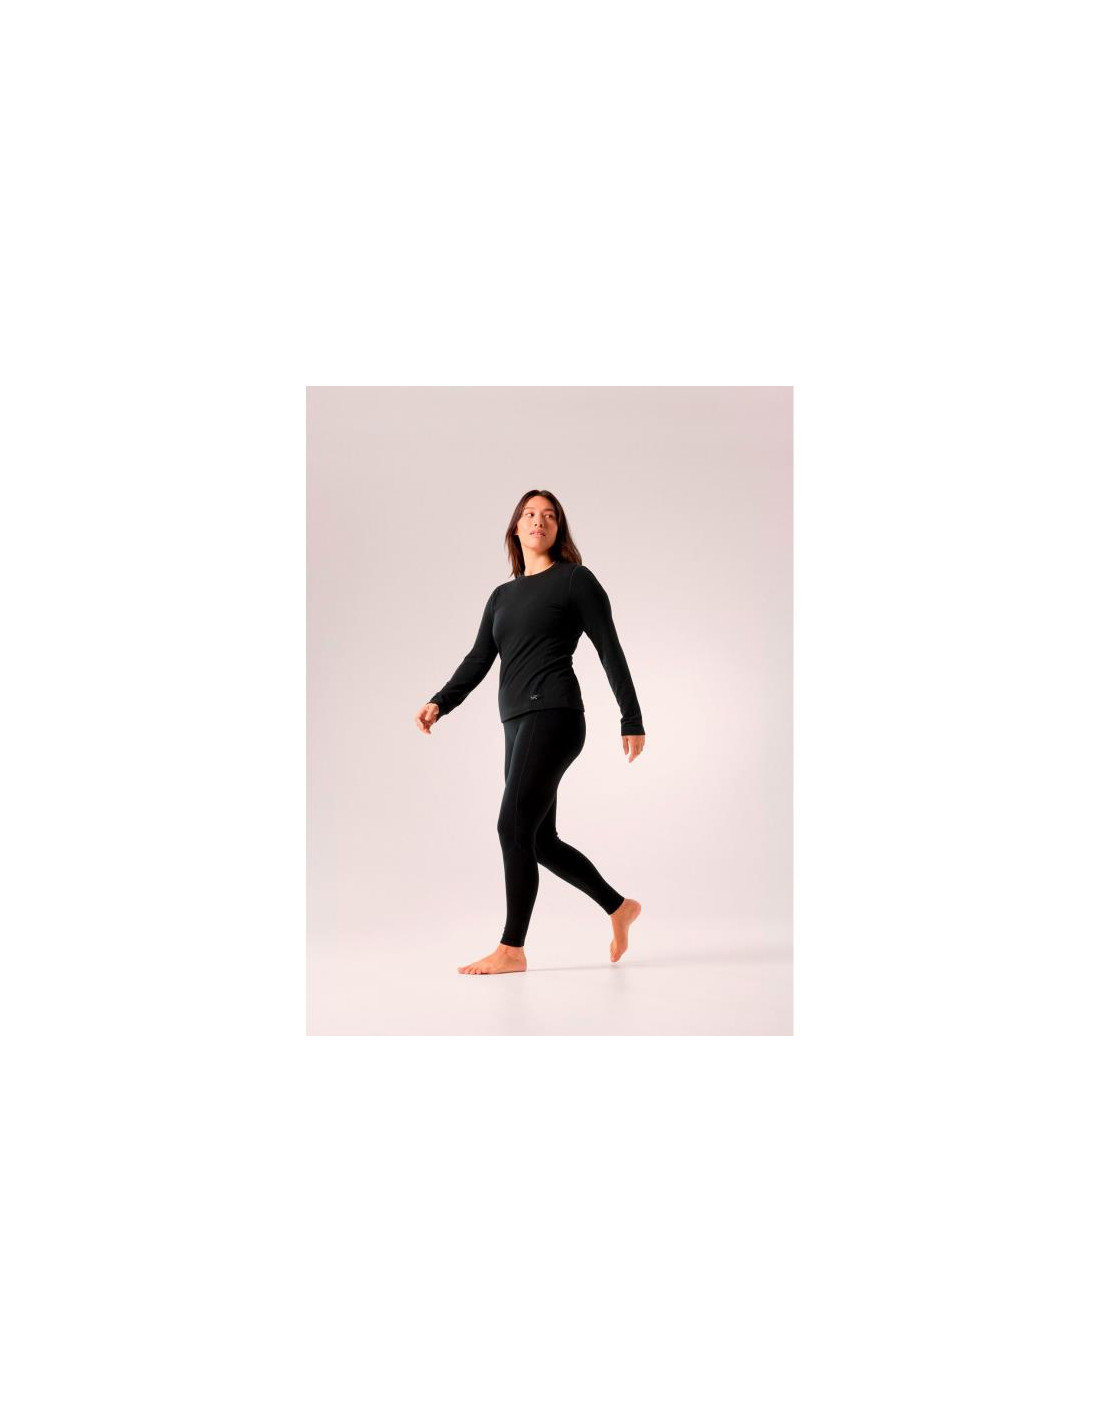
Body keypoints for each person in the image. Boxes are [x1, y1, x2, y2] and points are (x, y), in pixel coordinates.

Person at [414, 490, 645, 974]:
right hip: (516, 722)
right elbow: (479, 658)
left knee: (512, 827)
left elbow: (609, 647)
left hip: (555, 715)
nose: (539, 520)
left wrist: (631, 717)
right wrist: (441, 701)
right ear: (516, 528)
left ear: (558, 529)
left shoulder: (575, 580)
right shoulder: (501, 597)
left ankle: (512, 949)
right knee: (537, 839)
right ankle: (618, 907)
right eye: (530, 514)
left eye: (549, 515)